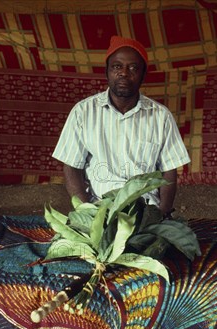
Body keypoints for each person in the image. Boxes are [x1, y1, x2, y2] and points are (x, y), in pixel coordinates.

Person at [52, 35, 190, 218]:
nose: (124, 73)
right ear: (107, 72)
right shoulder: (83, 112)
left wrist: (161, 214)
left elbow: (169, 171)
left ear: (142, 75)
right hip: (98, 209)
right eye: (117, 66)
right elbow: (71, 167)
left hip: (146, 210)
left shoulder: (160, 116)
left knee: (170, 245)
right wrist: (86, 212)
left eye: (133, 68)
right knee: (76, 246)